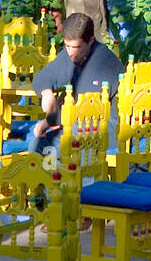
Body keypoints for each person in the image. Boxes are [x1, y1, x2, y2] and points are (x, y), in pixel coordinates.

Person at [28, 12, 124, 160]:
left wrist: (47, 122)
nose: (71, 52)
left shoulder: (104, 63)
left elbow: (84, 109)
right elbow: (43, 76)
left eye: (76, 46)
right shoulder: (72, 54)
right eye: (67, 46)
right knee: (39, 144)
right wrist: (46, 93)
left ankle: (65, 182)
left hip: (109, 126)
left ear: (91, 41)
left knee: (45, 147)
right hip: (82, 122)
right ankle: (53, 180)